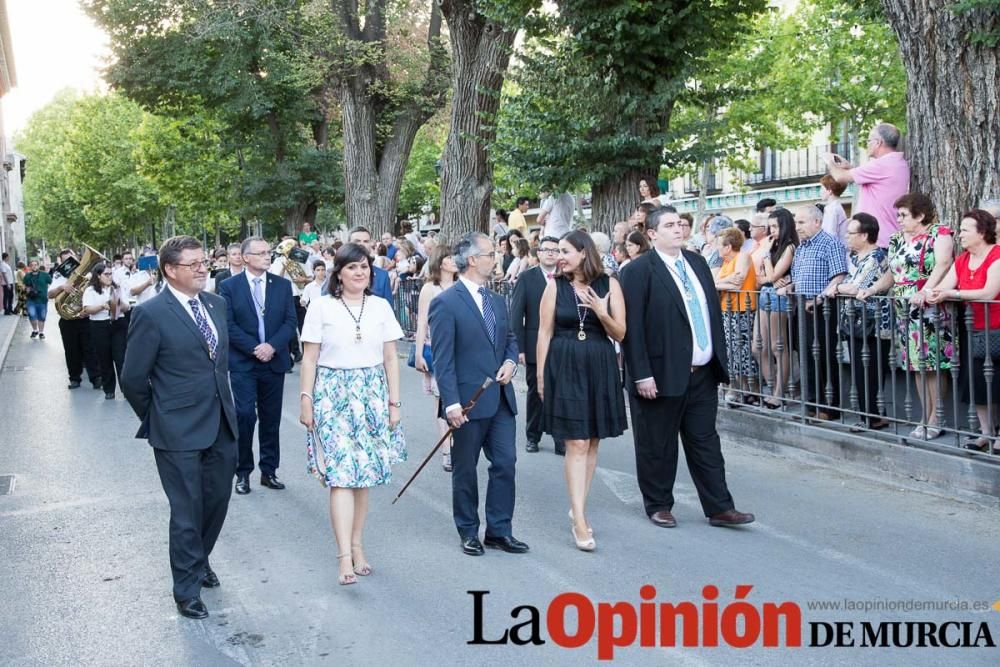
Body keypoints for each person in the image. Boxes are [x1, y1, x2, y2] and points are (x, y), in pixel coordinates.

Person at [120, 235, 239, 620]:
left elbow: (217, 364)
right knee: (187, 510)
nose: (203, 268)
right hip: (176, 430)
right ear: (171, 270)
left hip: (221, 423)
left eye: (204, 262)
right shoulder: (151, 313)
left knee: (217, 501)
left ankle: (200, 557)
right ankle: (186, 587)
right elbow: (133, 378)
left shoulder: (217, 305)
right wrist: (158, 418)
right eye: (194, 264)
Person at [620, 206, 755, 530]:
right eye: (669, 225)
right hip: (659, 374)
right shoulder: (638, 271)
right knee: (657, 443)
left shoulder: (696, 263)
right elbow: (632, 328)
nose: (678, 228)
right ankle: (658, 504)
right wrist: (641, 374)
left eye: (680, 223)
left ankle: (720, 507)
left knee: (706, 442)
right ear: (652, 233)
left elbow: (710, 312)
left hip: (702, 373)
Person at [298, 243, 405, 585]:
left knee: (364, 477)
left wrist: (394, 402)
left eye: (364, 267)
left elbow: (391, 358)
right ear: (338, 274)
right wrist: (306, 399)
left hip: (372, 391)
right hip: (332, 392)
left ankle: (358, 545)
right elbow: (311, 358)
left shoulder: (381, 307)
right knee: (341, 476)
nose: (360, 273)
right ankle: (344, 555)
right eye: (352, 267)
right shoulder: (321, 307)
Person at [429, 232, 527, 557]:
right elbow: (442, 360)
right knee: (465, 468)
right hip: (466, 404)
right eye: (489, 254)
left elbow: (510, 338)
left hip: (500, 400)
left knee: (506, 463)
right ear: (473, 259)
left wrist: (511, 361)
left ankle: (499, 530)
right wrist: (451, 404)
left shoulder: (496, 300)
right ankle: (468, 530)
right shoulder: (445, 302)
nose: (495, 258)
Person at [536, 231, 627, 551]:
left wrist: (601, 311)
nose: (559, 256)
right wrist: (541, 377)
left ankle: (578, 506)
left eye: (565, 251)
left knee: (591, 442)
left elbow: (621, 332)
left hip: (598, 364)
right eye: (557, 251)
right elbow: (544, 333)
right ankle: (580, 520)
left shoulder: (609, 285)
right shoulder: (554, 287)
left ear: (584, 253)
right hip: (563, 364)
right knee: (575, 441)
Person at [858, 193, 955, 440]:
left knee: (933, 364)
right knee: (917, 365)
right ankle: (925, 415)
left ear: (920, 215)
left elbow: (944, 264)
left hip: (931, 305)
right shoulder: (896, 239)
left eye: (903, 215)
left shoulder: (940, 233)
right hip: (904, 306)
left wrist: (925, 291)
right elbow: (892, 272)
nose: (898, 219)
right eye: (898, 214)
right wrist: (874, 288)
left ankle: (937, 417)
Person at [218, 237, 298, 495]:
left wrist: (271, 346)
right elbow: (228, 324)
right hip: (244, 362)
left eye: (268, 253)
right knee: (244, 415)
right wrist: (255, 348)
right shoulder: (229, 286)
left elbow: (289, 321)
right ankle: (243, 473)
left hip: (274, 361)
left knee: (271, 418)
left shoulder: (282, 285)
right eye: (261, 253)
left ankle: (269, 470)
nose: (267, 257)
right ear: (245, 257)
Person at [927, 209, 1000, 452]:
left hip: (997, 328)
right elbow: (946, 285)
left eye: (966, 230)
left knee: (998, 382)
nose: (960, 235)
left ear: (982, 232)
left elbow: (989, 292)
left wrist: (952, 294)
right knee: (977, 383)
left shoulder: (997, 256)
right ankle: (986, 434)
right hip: (973, 330)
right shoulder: (962, 260)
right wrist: (935, 293)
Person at [783, 205, 849, 420]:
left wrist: (819, 298)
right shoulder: (802, 247)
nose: (797, 227)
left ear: (817, 222)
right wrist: (791, 286)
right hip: (801, 306)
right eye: (796, 222)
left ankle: (829, 407)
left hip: (822, 308)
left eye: (802, 222)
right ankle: (811, 404)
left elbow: (839, 275)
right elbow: (801, 276)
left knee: (823, 356)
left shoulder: (830, 243)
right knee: (806, 356)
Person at [833, 213, 892, 432]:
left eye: (851, 233)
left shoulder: (876, 257)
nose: (846, 237)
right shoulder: (856, 257)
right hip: (856, 321)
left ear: (865, 235)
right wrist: (842, 286)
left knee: (870, 370)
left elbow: (856, 286)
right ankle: (871, 415)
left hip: (874, 323)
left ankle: (873, 417)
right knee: (860, 370)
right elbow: (849, 283)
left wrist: (836, 288)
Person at [511, 236, 565, 455]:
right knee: (536, 392)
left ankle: (560, 438)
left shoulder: (567, 277)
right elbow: (516, 316)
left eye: (556, 250)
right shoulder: (526, 278)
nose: (551, 253)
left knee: (561, 392)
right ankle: (533, 436)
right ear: (538, 254)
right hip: (534, 346)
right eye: (546, 250)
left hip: (562, 344)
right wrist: (520, 348)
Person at [824, 122, 910, 248]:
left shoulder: (882, 164)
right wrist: (850, 167)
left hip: (878, 242)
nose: (867, 144)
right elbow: (872, 178)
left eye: (869, 140)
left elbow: (840, 177)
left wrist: (829, 161)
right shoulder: (896, 163)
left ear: (878, 142)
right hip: (888, 238)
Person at [413, 245, 458, 470]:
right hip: (438, 350)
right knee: (442, 401)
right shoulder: (430, 289)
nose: (455, 260)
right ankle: (446, 449)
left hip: (461, 350)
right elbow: (422, 322)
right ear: (441, 262)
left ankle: (458, 444)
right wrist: (419, 352)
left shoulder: (461, 285)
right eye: (450, 257)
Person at [753, 209, 798, 408]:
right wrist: (769, 275)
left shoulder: (789, 247)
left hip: (779, 299)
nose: (772, 230)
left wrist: (766, 263)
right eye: (770, 226)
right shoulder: (772, 247)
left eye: (775, 226)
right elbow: (760, 279)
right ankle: (772, 388)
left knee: (777, 347)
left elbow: (770, 277)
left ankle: (779, 392)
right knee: (757, 347)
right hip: (765, 295)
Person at [713, 227, 759, 405]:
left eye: (719, 245)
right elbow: (716, 282)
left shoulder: (743, 256)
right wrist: (722, 283)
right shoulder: (725, 263)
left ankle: (750, 390)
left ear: (728, 246)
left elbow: (738, 282)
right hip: (727, 310)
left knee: (743, 350)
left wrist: (717, 283)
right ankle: (738, 389)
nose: (717, 248)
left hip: (743, 310)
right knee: (731, 351)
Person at [46, 249, 101, 389]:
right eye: (65, 260)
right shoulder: (59, 275)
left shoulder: (87, 274)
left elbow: (95, 293)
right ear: (62, 262)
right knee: (71, 350)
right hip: (67, 319)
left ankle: (96, 378)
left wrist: (87, 310)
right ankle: (75, 378)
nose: (69, 262)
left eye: (71, 258)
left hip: (84, 317)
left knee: (90, 348)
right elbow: (50, 294)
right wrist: (62, 287)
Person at [81, 263, 131, 400]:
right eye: (106, 274)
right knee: (104, 358)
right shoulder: (90, 291)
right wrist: (102, 306)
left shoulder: (117, 288)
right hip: (99, 325)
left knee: (121, 358)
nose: (109, 277)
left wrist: (120, 303)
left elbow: (127, 307)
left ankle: (126, 389)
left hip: (118, 324)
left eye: (110, 274)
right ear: (98, 275)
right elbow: (87, 310)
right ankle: (109, 389)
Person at [347, 226, 394, 303]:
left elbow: (388, 309)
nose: (361, 244)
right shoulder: (337, 273)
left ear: (370, 244)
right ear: (348, 243)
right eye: (357, 241)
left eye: (366, 241)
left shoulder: (382, 276)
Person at [22, 260, 52, 339]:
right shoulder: (27, 276)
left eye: (35, 265)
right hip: (31, 299)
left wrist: (49, 293)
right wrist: (26, 289)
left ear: (38, 266)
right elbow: (23, 286)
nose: (34, 266)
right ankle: (35, 330)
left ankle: (41, 332)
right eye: (32, 265)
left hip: (42, 299)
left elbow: (51, 283)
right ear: (30, 267)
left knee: (42, 316)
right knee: (32, 315)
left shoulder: (44, 275)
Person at [819, 174, 849, 246]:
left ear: (829, 191)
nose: (820, 191)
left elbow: (830, 234)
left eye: (822, 188)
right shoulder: (836, 207)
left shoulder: (832, 209)